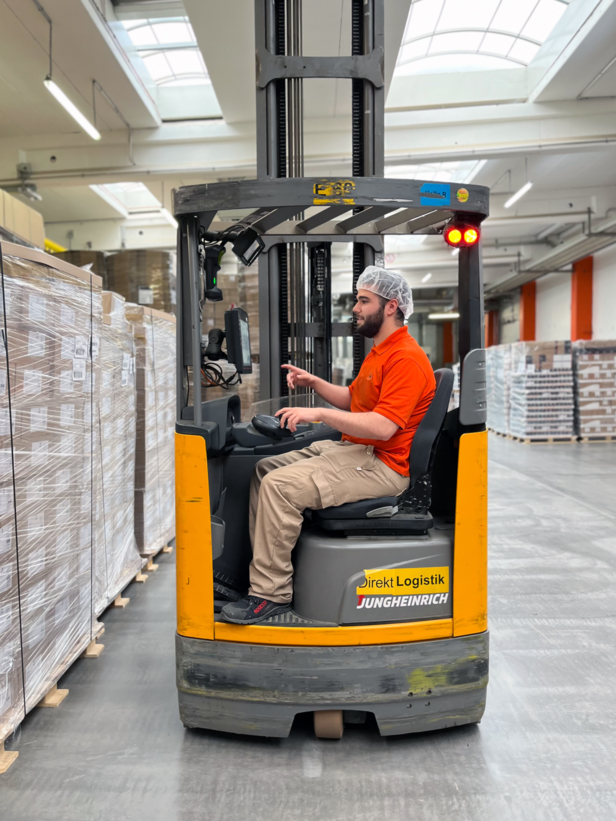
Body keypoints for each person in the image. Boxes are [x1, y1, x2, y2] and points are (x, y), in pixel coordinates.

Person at [221, 266, 436, 624]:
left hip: (382, 465)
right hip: (357, 451)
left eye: (364, 301)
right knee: (264, 470)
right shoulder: (381, 351)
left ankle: (269, 595)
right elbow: (354, 400)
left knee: (280, 487)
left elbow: (382, 428)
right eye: (356, 300)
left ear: (390, 306)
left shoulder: (406, 359)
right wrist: (313, 382)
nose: (355, 308)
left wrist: (318, 414)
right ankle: (260, 574)